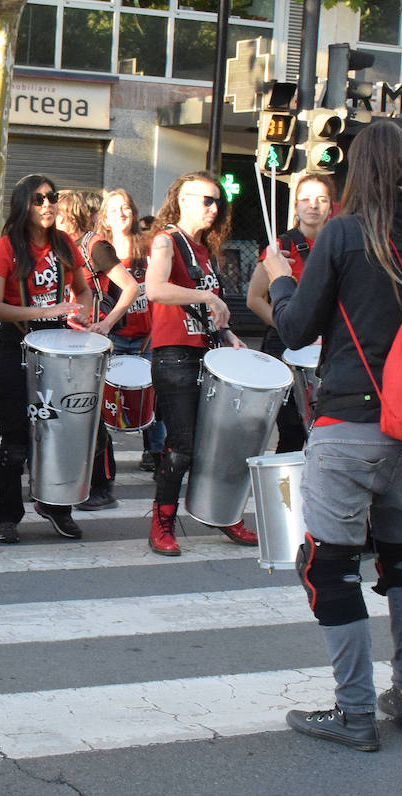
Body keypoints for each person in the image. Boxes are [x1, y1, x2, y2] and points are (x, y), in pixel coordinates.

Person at [264, 119, 402, 752]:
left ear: (357, 171)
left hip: (349, 420)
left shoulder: (344, 234)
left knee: (329, 563)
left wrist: (280, 274)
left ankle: (353, 713)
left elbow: (294, 328)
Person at [144, 171, 256, 556]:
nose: (213, 208)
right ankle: (163, 522)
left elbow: (205, 309)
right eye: (206, 200)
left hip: (207, 354)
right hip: (175, 355)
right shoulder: (166, 241)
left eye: (217, 201)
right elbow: (155, 288)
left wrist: (227, 335)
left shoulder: (203, 250)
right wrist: (207, 297)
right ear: (182, 199)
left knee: (221, 443)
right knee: (182, 445)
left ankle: (222, 514)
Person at [0, 175, 97, 544]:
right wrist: (42, 310)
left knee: (58, 434)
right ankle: (7, 515)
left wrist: (82, 314)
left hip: (58, 347)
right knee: (15, 439)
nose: (47, 204)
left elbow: (82, 290)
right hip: (17, 346)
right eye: (38, 199)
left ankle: (57, 506)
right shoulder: (6, 247)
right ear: (23, 205)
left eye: (52, 197)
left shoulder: (64, 243)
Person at [54, 190, 142, 512]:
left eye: (59, 213)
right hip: (68, 340)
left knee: (92, 414)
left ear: (71, 215)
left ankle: (102, 486)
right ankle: (73, 480)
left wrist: (106, 324)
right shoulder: (62, 246)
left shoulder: (94, 246)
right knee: (71, 411)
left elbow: (130, 286)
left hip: (91, 341)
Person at [246, 174, 336, 453]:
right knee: (292, 428)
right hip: (285, 344)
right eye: (306, 199)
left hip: (325, 348)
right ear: (295, 206)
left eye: (321, 199)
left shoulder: (338, 244)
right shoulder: (280, 247)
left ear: (331, 206)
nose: (313, 206)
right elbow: (254, 299)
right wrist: (286, 325)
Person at [95, 194, 165, 473]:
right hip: (112, 336)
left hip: (146, 336)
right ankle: (104, 457)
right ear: (105, 217)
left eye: (125, 207)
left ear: (134, 212)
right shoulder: (100, 250)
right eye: (114, 209)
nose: (121, 213)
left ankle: (155, 451)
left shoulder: (149, 248)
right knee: (107, 397)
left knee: (154, 396)